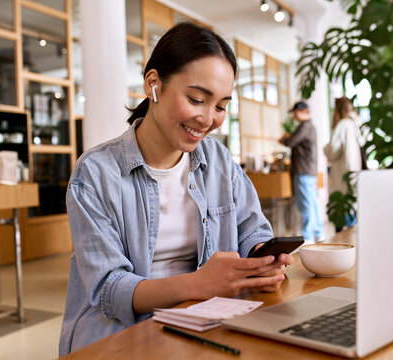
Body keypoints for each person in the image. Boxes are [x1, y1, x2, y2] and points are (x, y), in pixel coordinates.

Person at [59, 22, 294, 355]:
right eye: (197, 99)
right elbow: (110, 290)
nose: (208, 118)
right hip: (119, 337)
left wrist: (260, 260)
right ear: (153, 84)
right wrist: (200, 283)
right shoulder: (95, 174)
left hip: (203, 324)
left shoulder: (218, 159)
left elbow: (251, 231)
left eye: (221, 106)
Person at [279, 101, 323, 244]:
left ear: (302, 111)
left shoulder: (304, 127)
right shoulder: (311, 127)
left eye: (295, 112)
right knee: (313, 203)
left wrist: (284, 138)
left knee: (306, 205)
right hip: (309, 170)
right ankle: (317, 232)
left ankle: (308, 236)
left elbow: (290, 142)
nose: (294, 115)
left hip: (303, 171)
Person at [323, 96, 365, 231]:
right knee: (352, 209)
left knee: (342, 212)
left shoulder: (342, 125)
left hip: (342, 174)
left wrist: (325, 148)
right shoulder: (355, 124)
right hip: (354, 173)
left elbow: (332, 151)